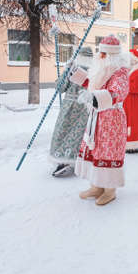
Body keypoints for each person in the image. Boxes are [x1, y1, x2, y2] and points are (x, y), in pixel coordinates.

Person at [69, 35, 129, 206]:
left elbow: (118, 92)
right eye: (100, 53)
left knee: (107, 150)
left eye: (104, 54)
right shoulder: (102, 70)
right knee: (95, 149)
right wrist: (75, 72)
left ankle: (109, 190)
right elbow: (91, 83)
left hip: (112, 119)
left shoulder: (120, 71)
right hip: (97, 117)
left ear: (112, 56)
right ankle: (96, 185)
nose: (100, 57)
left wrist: (95, 97)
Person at [49, 46, 93, 177]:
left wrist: (65, 73)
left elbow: (60, 87)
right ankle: (73, 160)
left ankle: (64, 160)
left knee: (63, 132)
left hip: (70, 106)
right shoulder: (93, 70)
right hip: (84, 107)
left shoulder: (74, 68)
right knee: (78, 135)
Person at [123, 48, 138, 153]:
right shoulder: (128, 69)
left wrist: (125, 85)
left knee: (134, 122)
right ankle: (127, 142)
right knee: (126, 121)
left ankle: (135, 143)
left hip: (134, 101)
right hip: (126, 99)